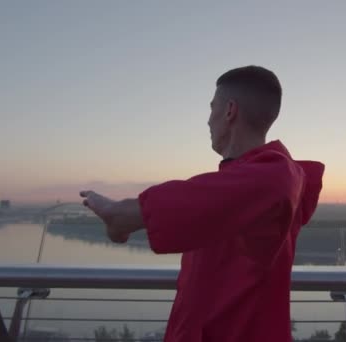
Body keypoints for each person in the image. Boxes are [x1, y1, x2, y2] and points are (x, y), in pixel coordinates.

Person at [80, 65, 325, 342]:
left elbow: (137, 214)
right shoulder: (244, 187)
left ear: (230, 111)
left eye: (212, 109)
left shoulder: (273, 179)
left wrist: (118, 215)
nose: (208, 121)